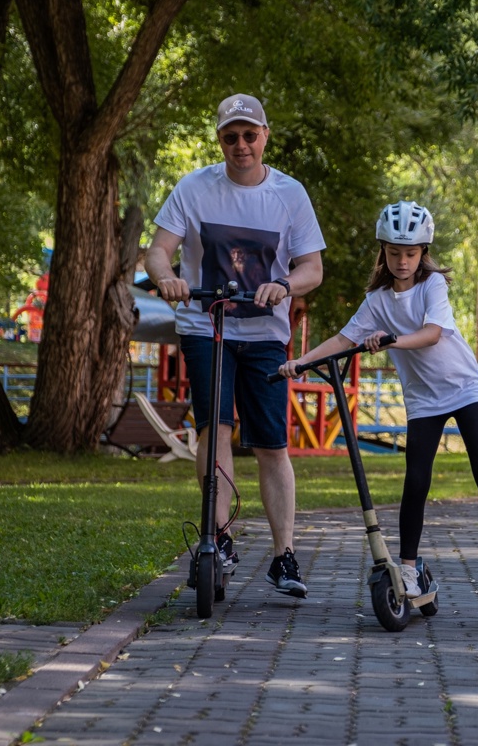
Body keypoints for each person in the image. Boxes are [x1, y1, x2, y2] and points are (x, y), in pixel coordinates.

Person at [277, 200, 478, 600]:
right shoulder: (377, 300)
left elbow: (432, 333)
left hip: (464, 387)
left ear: (423, 252)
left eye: (411, 253)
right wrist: (302, 362)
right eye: (394, 253)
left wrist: (392, 340)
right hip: (424, 397)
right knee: (416, 480)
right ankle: (408, 571)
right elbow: (343, 339)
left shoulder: (433, 285)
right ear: (383, 251)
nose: (402, 261)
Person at [145, 93, 325, 598]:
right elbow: (157, 251)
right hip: (208, 326)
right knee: (216, 429)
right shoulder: (194, 187)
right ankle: (217, 538)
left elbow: (312, 268)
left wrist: (284, 285)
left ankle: (284, 555)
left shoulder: (289, 194)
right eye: (230, 137)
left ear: (265, 135)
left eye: (249, 135)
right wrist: (166, 278)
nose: (240, 145)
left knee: (272, 443)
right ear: (219, 140)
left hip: (265, 332)